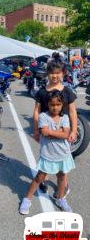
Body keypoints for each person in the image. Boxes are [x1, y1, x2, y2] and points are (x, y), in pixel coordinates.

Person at [20, 90, 75, 214]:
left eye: (58, 105)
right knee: (39, 178)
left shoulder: (65, 117)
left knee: (61, 178)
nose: (55, 107)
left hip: (63, 154)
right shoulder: (43, 116)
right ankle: (26, 199)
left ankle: (61, 199)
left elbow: (66, 134)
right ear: (48, 105)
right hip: (48, 155)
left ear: (62, 105)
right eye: (52, 105)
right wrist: (59, 133)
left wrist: (51, 132)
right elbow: (44, 132)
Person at [33, 58, 77, 195]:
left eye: (58, 73)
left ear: (63, 73)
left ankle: (63, 186)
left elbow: (72, 111)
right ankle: (43, 180)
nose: (55, 76)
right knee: (46, 158)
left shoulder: (67, 91)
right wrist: (36, 130)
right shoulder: (41, 92)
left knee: (62, 161)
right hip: (47, 133)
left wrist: (74, 130)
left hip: (63, 131)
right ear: (47, 73)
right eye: (52, 73)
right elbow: (36, 111)